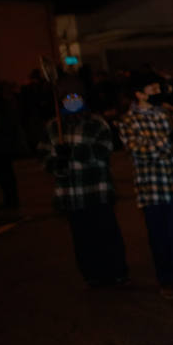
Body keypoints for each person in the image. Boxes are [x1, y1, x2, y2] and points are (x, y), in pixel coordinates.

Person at [117, 71, 173, 301]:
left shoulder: (169, 114)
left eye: (159, 89)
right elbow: (141, 151)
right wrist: (168, 141)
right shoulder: (128, 121)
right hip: (151, 189)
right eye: (153, 90)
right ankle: (167, 281)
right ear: (139, 94)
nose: (158, 93)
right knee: (159, 239)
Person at [41, 76, 128, 287]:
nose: (72, 101)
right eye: (68, 97)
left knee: (106, 234)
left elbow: (103, 152)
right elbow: (45, 158)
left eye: (76, 97)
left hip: (96, 190)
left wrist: (74, 151)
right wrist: (57, 162)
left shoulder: (96, 123)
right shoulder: (53, 127)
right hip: (71, 194)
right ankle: (91, 274)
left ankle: (116, 272)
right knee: (82, 238)